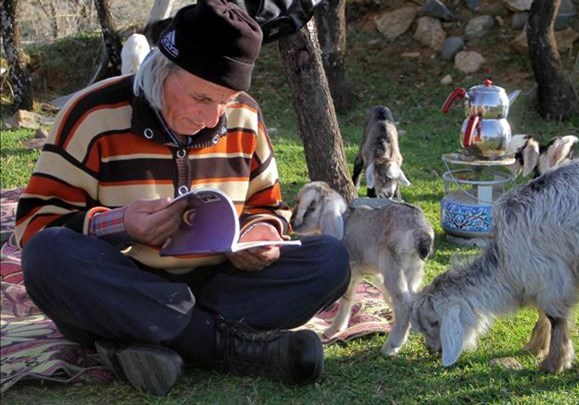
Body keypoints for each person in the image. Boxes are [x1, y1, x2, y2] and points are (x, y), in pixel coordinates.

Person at [15, 0, 351, 396]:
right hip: (121, 284)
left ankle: (145, 341)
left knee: (330, 260)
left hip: (217, 286)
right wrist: (122, 224)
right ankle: (233, 346)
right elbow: (36, 224)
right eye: (203, 99)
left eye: (225, 101)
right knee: (48, 257)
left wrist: (261, 234)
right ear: (163, 70)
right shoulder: (92, 114)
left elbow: (269, 206)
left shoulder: (243, 116)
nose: (214, 118)